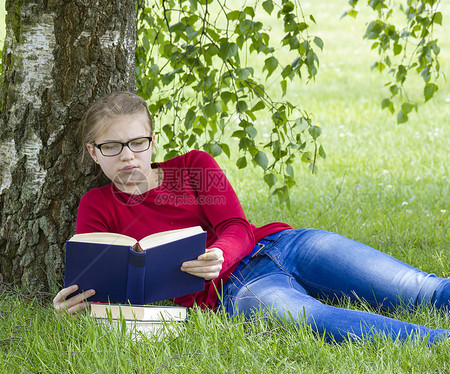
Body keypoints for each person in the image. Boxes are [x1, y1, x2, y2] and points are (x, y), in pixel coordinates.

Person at [53, 91, 450, 344]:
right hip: (235, 291)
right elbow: (103, 279)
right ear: (93, 152)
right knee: (312, 317)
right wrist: (79, 304)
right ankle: (439, 342)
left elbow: (235, 226)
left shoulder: (193, 166)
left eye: (137, 142)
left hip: (280, 245)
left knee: (417, 289)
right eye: (112, 147)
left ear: (152, 140)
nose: (127, 156)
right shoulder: (96, 205)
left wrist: (220, 254)